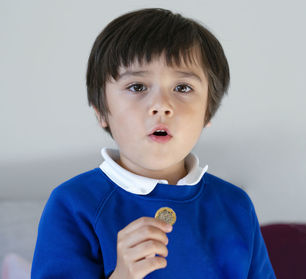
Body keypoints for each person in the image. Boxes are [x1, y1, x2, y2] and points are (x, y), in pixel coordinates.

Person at [31, 8, 276, 279]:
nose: (161, 105)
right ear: (101, 111)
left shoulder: (236, 205)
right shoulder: (73, 204)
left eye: (182, 88)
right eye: (137, 87)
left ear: (208, 111)